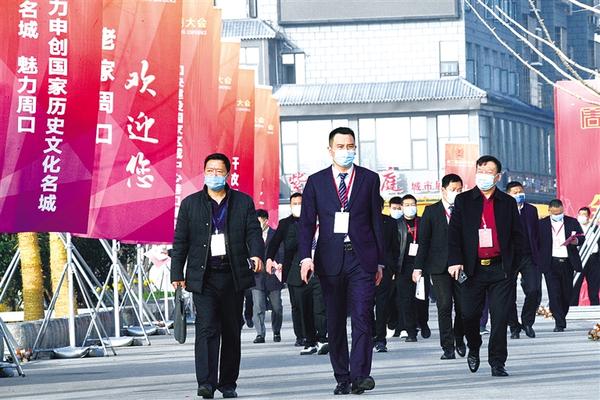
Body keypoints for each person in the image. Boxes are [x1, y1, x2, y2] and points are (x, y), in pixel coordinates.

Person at [298, 127, 384, 395]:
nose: (346, 151)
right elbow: (306, 223)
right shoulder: (316, 182)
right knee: (335, 321)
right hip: (330, 260)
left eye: (350, 146)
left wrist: (380, 262)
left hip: (362, 259)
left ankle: (360, 375)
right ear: (330, 150)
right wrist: (305, 258)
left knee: (362, 315)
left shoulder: (369, 179)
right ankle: (342, 376)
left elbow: (376, 222)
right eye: (341, 146)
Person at [171, 153, 264, 399]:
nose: (214, 175)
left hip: (233, 275)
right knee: (207, 328)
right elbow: (180, 241)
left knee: (231, 330)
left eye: (219, 171)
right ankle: (206, 382)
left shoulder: (243, 202)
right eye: (210, 171)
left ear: (227, 174)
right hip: (204, 277)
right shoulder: (190, 204)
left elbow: (253, 232)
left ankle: (228, 383)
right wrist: (176, 272)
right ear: (204, 173)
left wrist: (256, 254)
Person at [448, 155, 527, 377]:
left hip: (500, 269)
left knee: (500, 317)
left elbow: (518, 236)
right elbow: (454, 234)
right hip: (472, 269)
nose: (483, 176)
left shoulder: (507, 203)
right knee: (468, 314)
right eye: (480, 171)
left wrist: (514, 267)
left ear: (498, 176)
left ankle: (497, 362)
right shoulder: (463, 200)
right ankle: (474, 345)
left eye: (489, 172)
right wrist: (455, 260)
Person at [266, 194, 329, 355]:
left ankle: (322, 338)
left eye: (300, 203)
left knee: (320, 307)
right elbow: (274, 243)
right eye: (294, 203)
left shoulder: (319, 221)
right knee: (302, 308)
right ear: (290, 205)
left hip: (319, 271)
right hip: (295, 272)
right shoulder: (285, 224)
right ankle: (308, 339)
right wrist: (269, 258)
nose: (298, 206)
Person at [414, 173, 466, 359]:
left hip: (462, 267)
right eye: (453, 190)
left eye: (460, 190)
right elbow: (423, 242)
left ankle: (459, 337)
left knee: (463, 307)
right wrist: (418, 268)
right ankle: (447, 346)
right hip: (438, 267)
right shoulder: (431, 211)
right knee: (444, 305)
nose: (457, 193)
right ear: (443, 190)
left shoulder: (465, 210)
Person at [538, 199, 584, 332]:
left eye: (560, 213)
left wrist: (576, 240)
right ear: (549, 211)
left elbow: (582, 237)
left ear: (563, 209)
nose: (557, 215)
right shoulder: (542, 224)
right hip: (550, 263)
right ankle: (559, 322)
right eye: (555, 213)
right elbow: (536, 242)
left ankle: (561, 315)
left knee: (566, 294)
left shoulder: (572, 222)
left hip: (567, 262)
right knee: (554, 293)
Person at [505, 181, 541, 339]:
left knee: (533, 290)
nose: (519, 194)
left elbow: (537, 234)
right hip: (509, 258)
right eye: (515, 192)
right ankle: (514, 326)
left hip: (528, 256)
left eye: (520, 191)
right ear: (508, 194)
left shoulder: (531, 210)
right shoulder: (503, 209)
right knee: (508, 294)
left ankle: (527, 322)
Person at [394, 194, 430, 342]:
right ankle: (411, 331)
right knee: (406, 300)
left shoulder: (423, 222)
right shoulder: (396, 224)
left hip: (421, 265)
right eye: (407, 205)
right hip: (403, 266)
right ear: (402, 207)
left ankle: (423, 322)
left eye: (413, 204)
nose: (410, 207)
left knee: (422, 298)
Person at [251, 209, 284, 344]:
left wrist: (280, 263)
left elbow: (281, 251)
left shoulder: (275, 234)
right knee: (258, 306)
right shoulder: (252, 237)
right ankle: (260, 334)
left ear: (265, 220)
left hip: (273, 275)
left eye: (259, 221)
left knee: (277, 307)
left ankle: (276, 331)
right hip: (257, 277)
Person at [372, 198, 399, 353]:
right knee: (365, 305)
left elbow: (395, 247)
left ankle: (380, 339)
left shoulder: (390, 222)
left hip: (385, 268)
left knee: (382, 305)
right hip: (363, 268)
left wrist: (392, 267)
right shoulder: (361, 220)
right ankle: (370, 335)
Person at [578, 207, 599, 305]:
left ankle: (596, 308)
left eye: (584, 214)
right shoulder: (575, 228)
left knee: (594, 288)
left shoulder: (595, 228)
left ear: (589, 216)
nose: (582, 216)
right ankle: (572, 308)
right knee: (575, 287)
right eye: (580, 214)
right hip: (579, 259)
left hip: (593, 260)